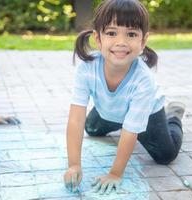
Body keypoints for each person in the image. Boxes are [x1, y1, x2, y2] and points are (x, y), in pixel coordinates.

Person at [63, 0, 185, 195]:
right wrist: (74, 165)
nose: (121, 42)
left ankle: (173, 115)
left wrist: (115, 173)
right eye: (112, 33)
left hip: (147, 113)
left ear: (143, 41)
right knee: (91, 128)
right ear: (98, 38)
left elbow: (130, 131)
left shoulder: (143, 79)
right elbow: (76, 118)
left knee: (165, 155)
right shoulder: (86, 68)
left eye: (131, 34)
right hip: (110, 108)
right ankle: (110, 110)